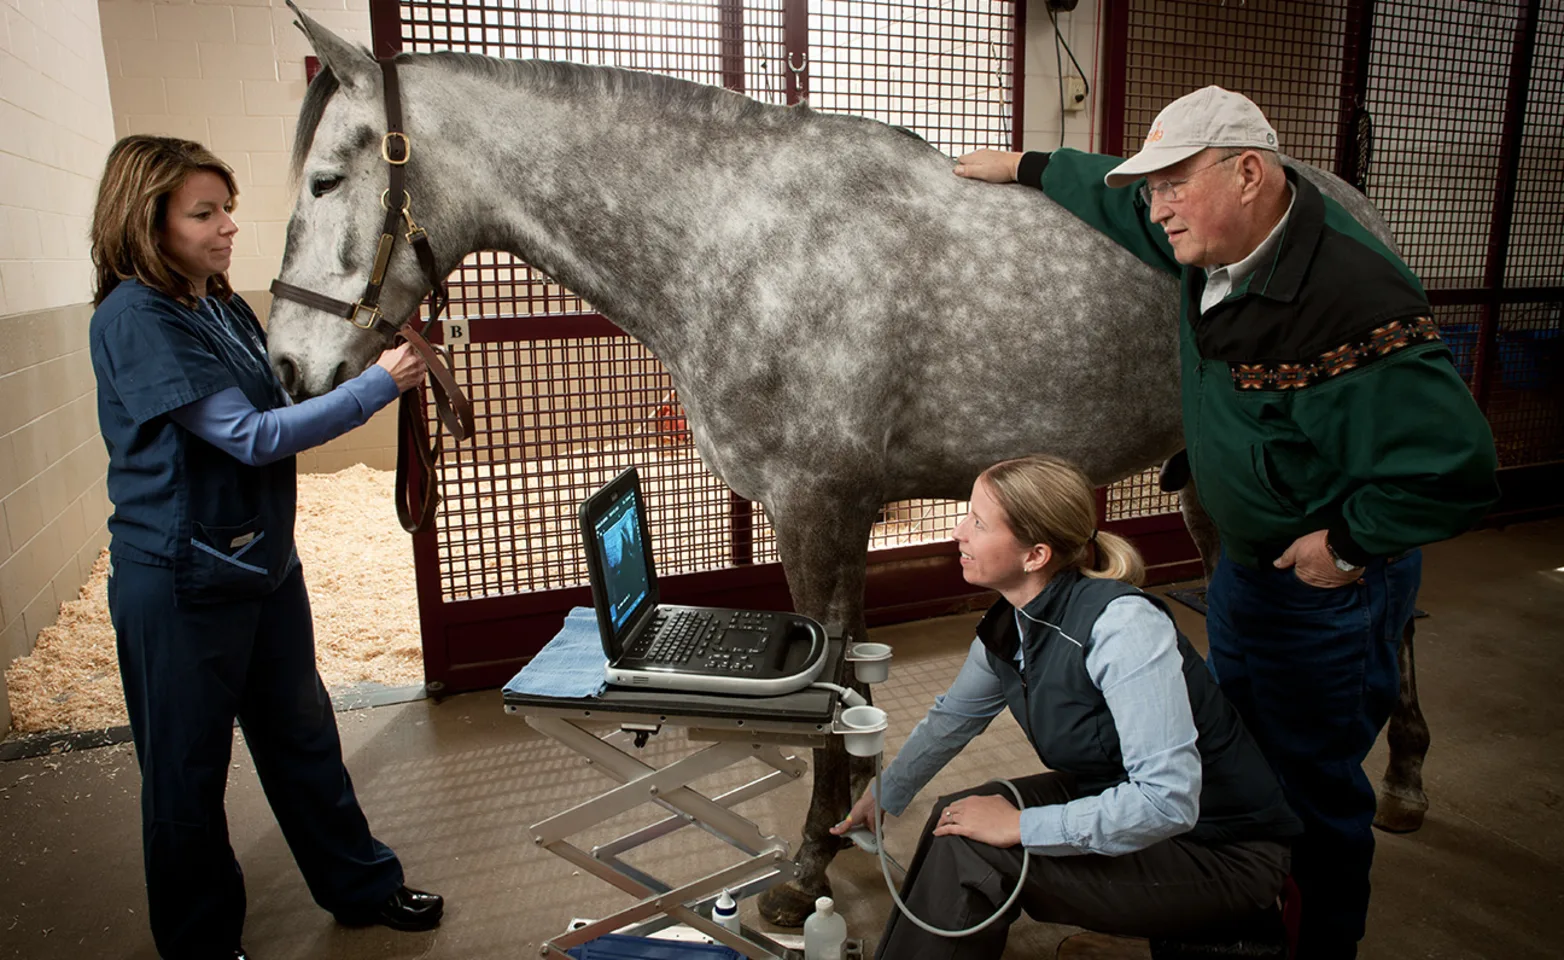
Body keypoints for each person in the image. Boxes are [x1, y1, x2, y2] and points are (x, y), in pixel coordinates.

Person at [952, 87, 1500, 958]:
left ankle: (1314, 944)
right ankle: (1226, 932)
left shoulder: (1348, 301)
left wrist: (1348, 547)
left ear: (1248, 172)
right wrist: (1026, 166)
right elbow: (1113, 194)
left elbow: (1459, 470)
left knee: (1305, 791)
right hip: (1248, 571)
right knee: (1235, 771)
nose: (1156, 207)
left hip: (1321, 590)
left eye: (1173, 185)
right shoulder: (1219, 239)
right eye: (1152, 188)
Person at [89, 135, 443, 960]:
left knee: (304, 739)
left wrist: (365, 347)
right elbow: (247, 436)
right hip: (182, 581)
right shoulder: (134, 318)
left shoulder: (216, 303)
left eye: (228, 210)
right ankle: (202, 943)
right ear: (148, 221)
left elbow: (278, 391)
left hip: (262, 566)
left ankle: (361, 885)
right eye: (203, 213)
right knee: (186, 778)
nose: (227, 229)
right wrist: (374, 389)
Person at [832, 454, 1304, 959]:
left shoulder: (1123, 629)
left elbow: (1168, 801)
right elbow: (953, 718)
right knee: (958, 817)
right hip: (1117, 798)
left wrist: (1021, 826)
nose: (957, 532)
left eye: (978, 522)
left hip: (1218, 852)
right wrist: (886, 794)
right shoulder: (1010, 624)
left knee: (973, 852)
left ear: (1035, 555)